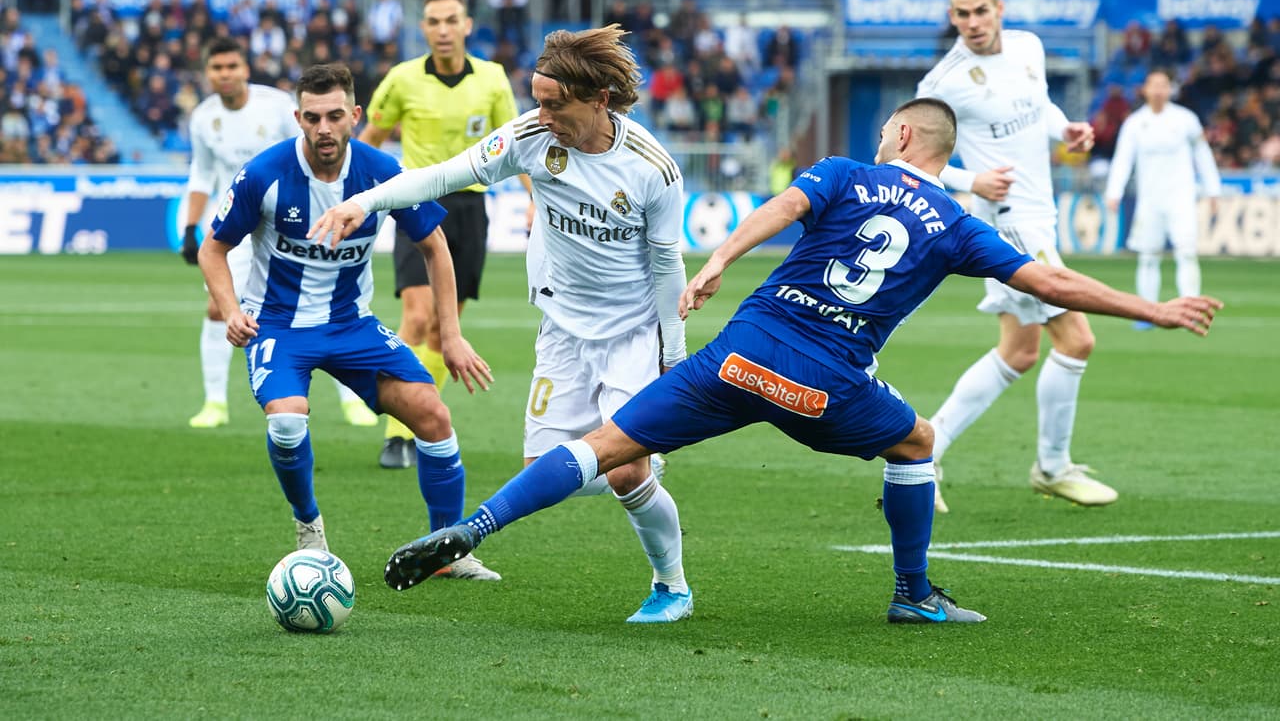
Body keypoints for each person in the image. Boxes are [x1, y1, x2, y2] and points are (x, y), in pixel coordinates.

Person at [367, 98, 1219, 625]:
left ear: (901, 134)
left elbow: (777, 209)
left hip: (739, 353)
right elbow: (1050, 281)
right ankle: (914, 593)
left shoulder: (845, 172)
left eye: (884, 129)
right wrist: (1155, 309)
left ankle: (476, 527)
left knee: (605, 445)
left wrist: (716, 260)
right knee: (917, 442)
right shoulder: (959, 225)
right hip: (823, 385)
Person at [310, 24, 694, 623]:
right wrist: (365, 201)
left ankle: (671, 586)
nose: (542, 115)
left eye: (555, 104)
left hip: (633, 334)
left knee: (627, 474)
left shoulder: (652, 169)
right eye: (537, 100)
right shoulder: (530, 137)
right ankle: (627, 457)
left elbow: (668, 268)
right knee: (543, 473)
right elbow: (442, 175)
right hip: (562, 330)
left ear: (600, 99)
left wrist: (675, 357)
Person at [197, 63, 496, 576]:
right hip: (280, 326)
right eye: (312, 118)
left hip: (352, 325)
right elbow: (213, 248)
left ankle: (447, 552)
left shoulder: (381, 172)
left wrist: (451, 335)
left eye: (335, 116)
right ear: (298, 118)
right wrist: (230, 311)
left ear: (355, 116)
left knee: (433, 416)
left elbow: (434, 245)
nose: (324, 128)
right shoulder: (264, 174)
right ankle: (309, 527)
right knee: (287, 421)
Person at [916, 0, 1110, 513]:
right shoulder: (943, 83)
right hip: (1009, 222)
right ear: (952, 15)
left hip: (1039, 212)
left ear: (999, 9)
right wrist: (970, 180)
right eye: (962, 14)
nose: (972, 22)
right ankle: (1052, 467)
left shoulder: (1028, 46)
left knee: (1019, 351)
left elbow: (1039, 106)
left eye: (981, 11)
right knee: (1077, 340)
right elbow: (905, 154)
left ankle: (925, 454)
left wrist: (1066, 129)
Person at [358, 0, 521, 469]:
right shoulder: (401, 79)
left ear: (467, 25)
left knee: (443, 327)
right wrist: (351, 197)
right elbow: (370, 138)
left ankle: (418, 424)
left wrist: (536, 200)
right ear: (423, 28)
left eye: (452, 20)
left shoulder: (492, 79)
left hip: (471, 208)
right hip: (416, 201)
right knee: (416, 315)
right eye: (434, 21)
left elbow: (517, 146)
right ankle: (396, 436)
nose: (443, 30)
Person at [181, 37, 377, 429]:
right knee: (217, 307)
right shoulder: (203, 118)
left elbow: (316, 147)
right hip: (240, 222)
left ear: (245, 69)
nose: (225, 74)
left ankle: (351, 399)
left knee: (333, 301)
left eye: (232, 66)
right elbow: (201, 174)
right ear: (207, 73)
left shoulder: (275, 105)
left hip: (293, 217)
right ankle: (215, 402)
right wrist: (190, 226)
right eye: (217, 68)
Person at [1104, 68, 1222, 326]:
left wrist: (1213, 190)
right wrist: (1114, 192)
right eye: (1154, 85)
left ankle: (1190, 309)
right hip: (1149, 200)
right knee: (1148, 256)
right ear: (1145, 90)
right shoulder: (1135, 123)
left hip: (1181, 198)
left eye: (1163, 85)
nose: (1158, 90)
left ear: (1170, 89)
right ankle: (1146, 314)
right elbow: (1123, 159)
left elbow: (1203, 155)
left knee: (1186, 252)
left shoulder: (1186, 120)